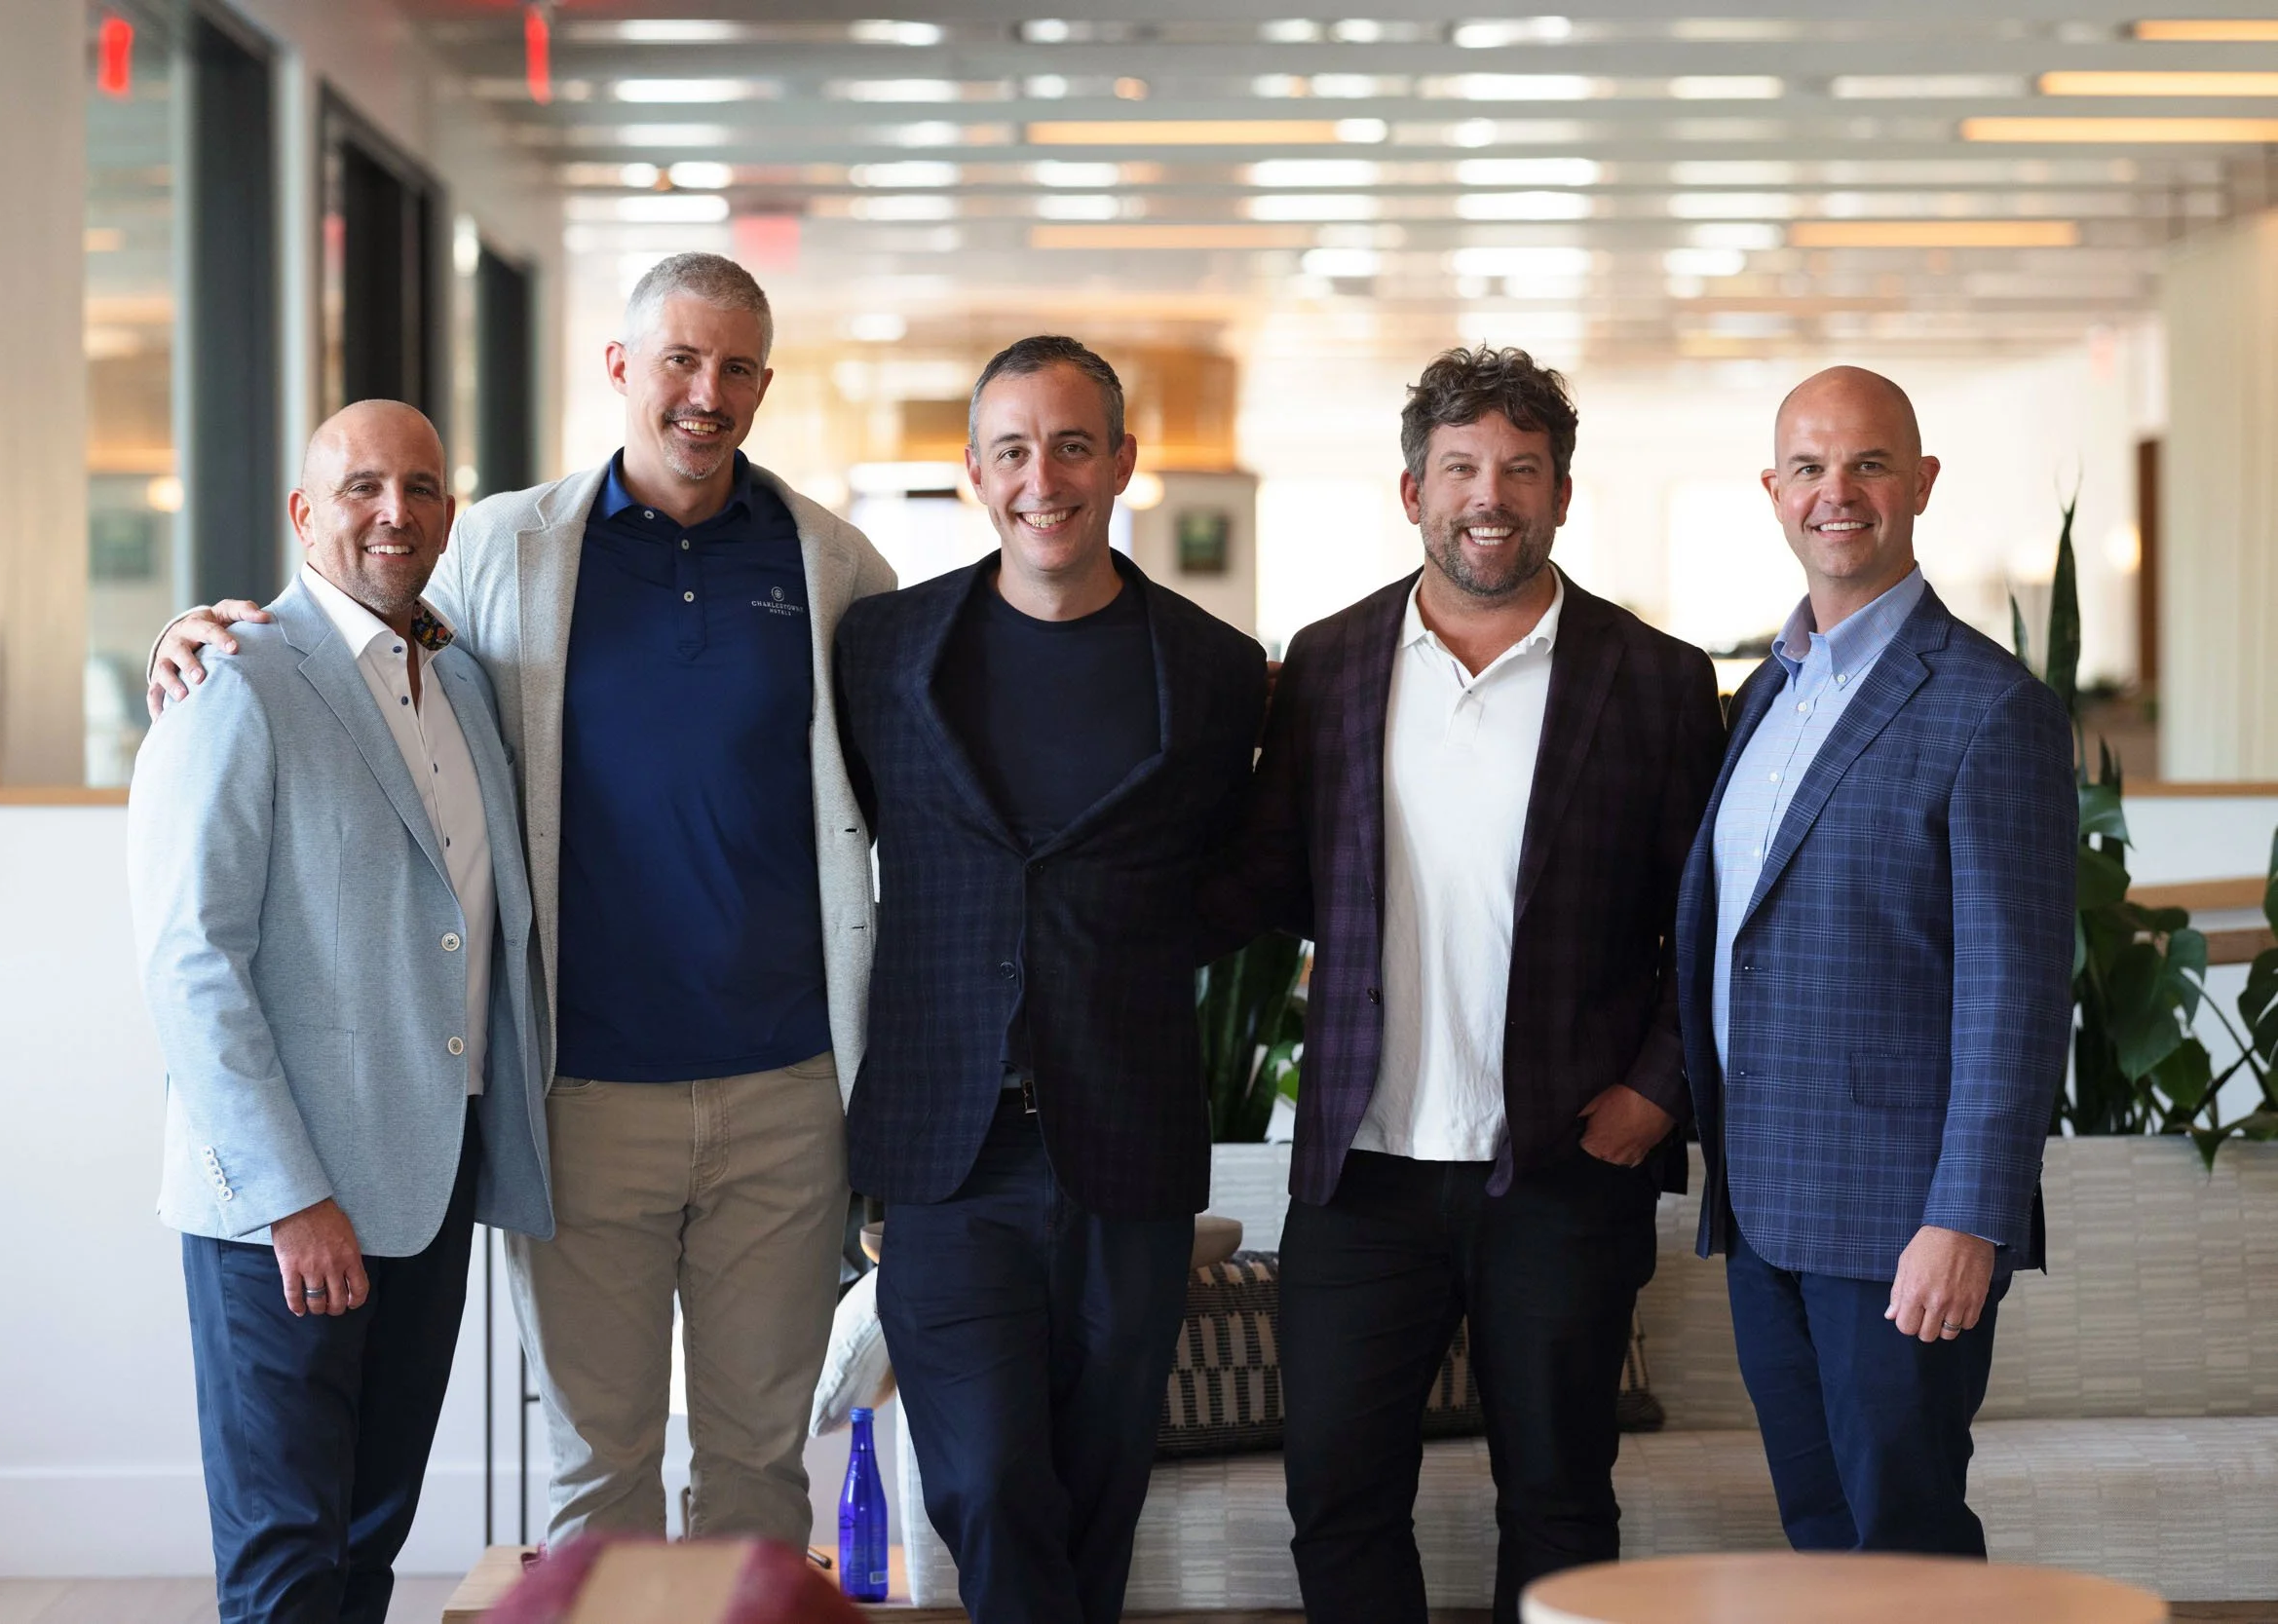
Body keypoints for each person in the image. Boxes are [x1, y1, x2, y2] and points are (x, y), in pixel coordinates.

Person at [145, 253, 896, 1547]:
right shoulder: (500, 547)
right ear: (620, 368)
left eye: (733, 368)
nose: (703, 394)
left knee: (759, 1463)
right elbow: (350, 623)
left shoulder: (835, 566)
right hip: (579, 1095)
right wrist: (207, 627)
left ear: (764, 386)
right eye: (677, 359)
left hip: (785, 1093)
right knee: (596, 1465)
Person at [1208, 346, 1726, 1624]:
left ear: (1559, 491)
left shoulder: (1655, 679)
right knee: (1336, 1493)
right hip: (1362, 1172)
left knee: (1558, 1499)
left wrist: (1657, 1091)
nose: (1487, 494)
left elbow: (1706, 920)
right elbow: (1267, 879)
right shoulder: (1325, 666)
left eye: (1518, 468)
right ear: (1411, 490)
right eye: (1460, 468)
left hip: (1562, 1165)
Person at [833, 336, 1268, 1624]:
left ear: (1123, 461)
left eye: (1073, 444)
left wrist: (1133, 941)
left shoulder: (1216, 670)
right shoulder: (884, 651)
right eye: (1014, 449)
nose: (1044, 477)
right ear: (974, 471)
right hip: (944, 1144)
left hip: (1123, 1133)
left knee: (1098, 1479)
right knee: (988, 1472)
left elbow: (1246, 870)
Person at [130, 400, 553, 1623]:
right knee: (285, 1560)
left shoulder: (459, 677)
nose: (395, 511)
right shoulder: (232, 677)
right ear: (304, 514)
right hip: (286, 1205)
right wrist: (288, 1195)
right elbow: (188, 961)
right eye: (362, 486)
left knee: (368, 1541)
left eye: (420, 487)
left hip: (426, 1185)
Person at [1676, 365, 2076, 1555]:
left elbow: (2016, 992)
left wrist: (1967, 1216)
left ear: (1921, 482)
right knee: (1819, 1539)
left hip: (1901, 1225)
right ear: (1772, 488)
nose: (1834, 492)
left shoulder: (1989, 707)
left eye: (1867, 464)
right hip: (1765, 1211)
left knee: (1904, 1547)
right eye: (1807, 467)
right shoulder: (1763, 692)